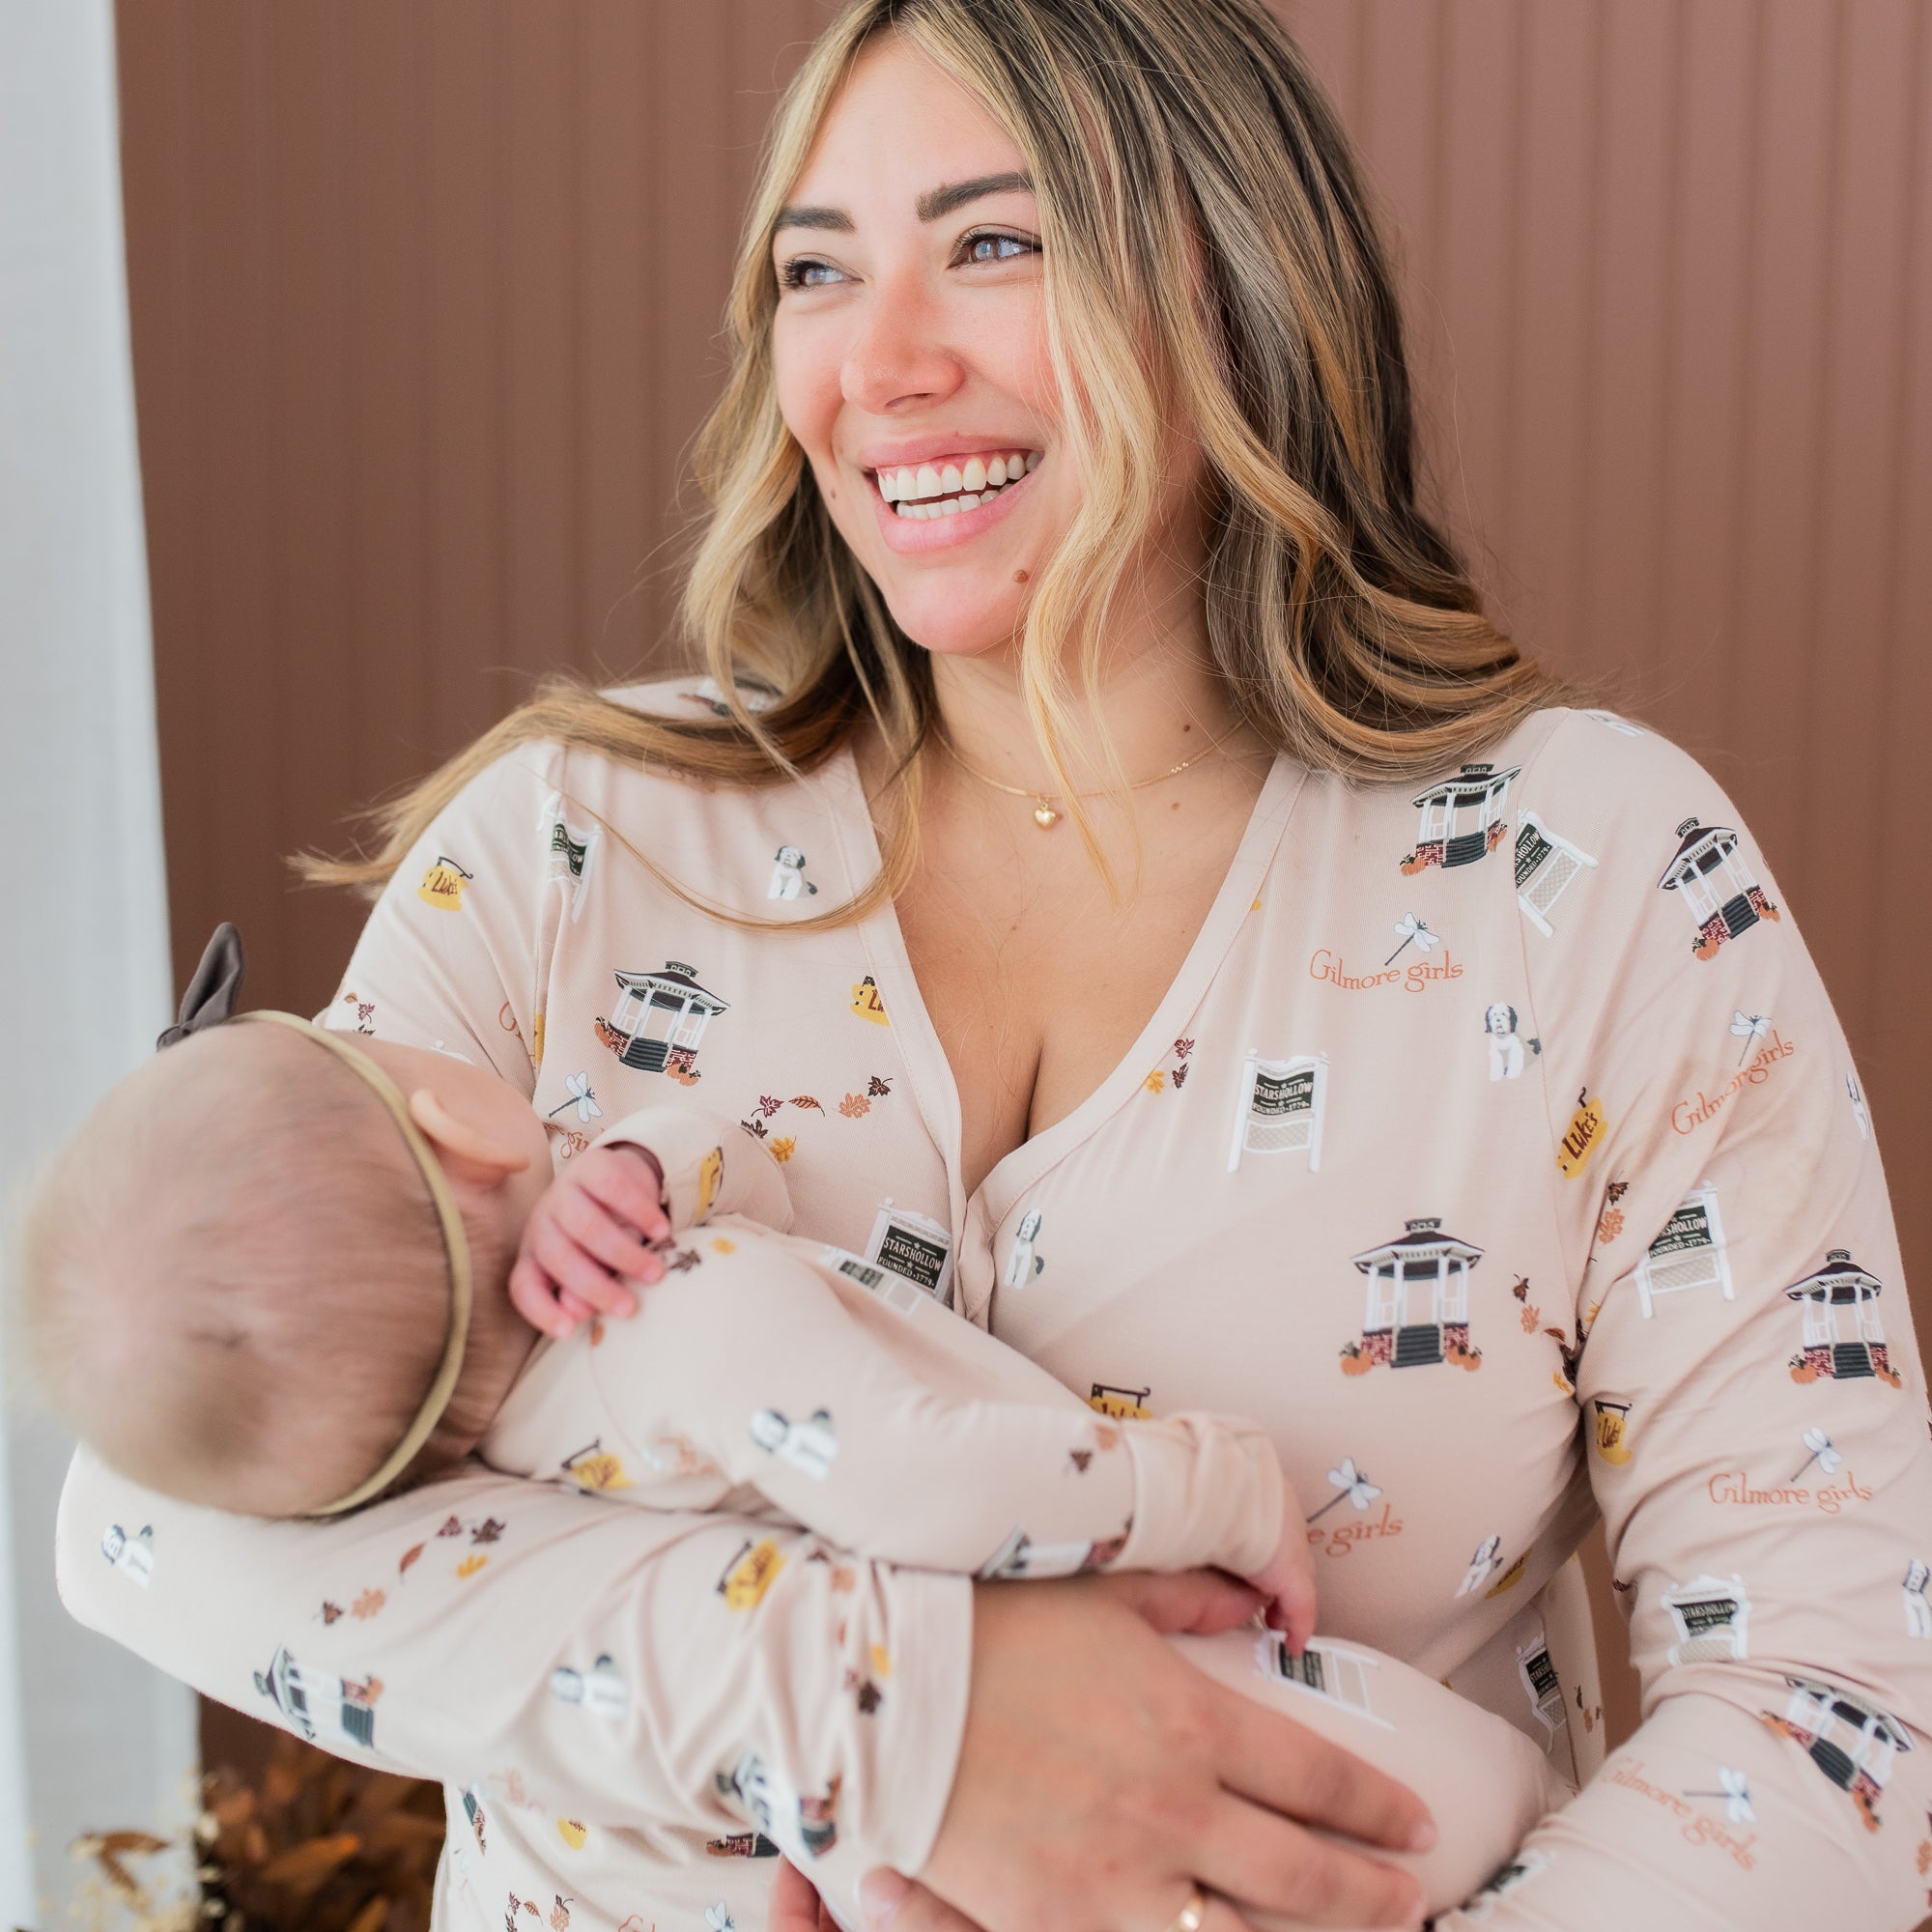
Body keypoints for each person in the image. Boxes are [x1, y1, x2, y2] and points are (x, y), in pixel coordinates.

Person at [54, 1, 1932, 1928]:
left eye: (994, 241)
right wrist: (903, 1717)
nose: (877, 364)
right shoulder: (571, 843)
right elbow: (147, 1520)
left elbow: (1834, 1715)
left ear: (1235, 280)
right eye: (815, 270)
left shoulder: (1601, 876)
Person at [22, 990, 1569, 1927]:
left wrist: (633, 1155)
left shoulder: (492, 1501)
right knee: (1495, 1809)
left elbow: (732, 1160)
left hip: (904, 1868)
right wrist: (1212, 1481)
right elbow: (932, 1482)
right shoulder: (687, 1316)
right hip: (1216, 1716)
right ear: (468, 1125)